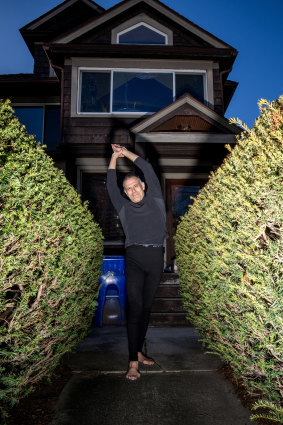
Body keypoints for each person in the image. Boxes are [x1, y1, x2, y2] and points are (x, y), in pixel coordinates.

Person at [107, 144, 168, 380]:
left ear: (143, 185)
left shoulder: (155, 199)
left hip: (155, 258)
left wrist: (126, 153)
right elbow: (111, 184)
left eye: (135, 186)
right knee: (134, 308)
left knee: (145, 308)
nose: (132, 191)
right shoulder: (123, 206)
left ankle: (139, 350)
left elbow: (146, 167)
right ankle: (133, 361)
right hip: (134, 257)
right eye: (128, 189)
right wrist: (114, 157)